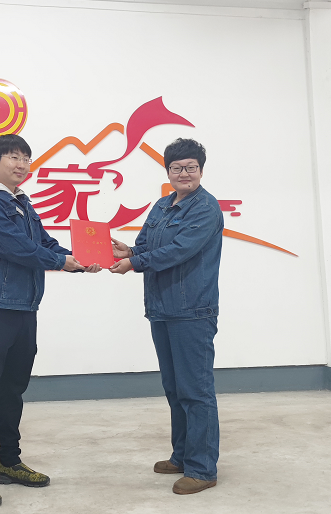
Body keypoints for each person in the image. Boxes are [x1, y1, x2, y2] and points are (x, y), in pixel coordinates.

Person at [0, 133, 100, 507]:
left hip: (25, 307)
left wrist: (83, 258)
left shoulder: (22, 202)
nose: (21, 165)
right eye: (13, 157)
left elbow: (45, 242)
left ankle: (9, 462)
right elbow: (15, 247)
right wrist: (59, 262)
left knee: (13, 389)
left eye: (26, 158)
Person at [109, 138, 223, 495]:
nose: (184, 173)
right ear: (168, 171)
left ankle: (202, 469)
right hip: (162, 308)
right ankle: (182, 456)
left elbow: (178, 250)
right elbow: (146, 244)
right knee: (175, 389)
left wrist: (135, 263)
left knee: (196, 391)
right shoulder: (162, 205)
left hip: (192, 310)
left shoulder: (205, 208)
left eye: (191, 167)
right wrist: (128, 251)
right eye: (177, 168)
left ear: (201, 170)